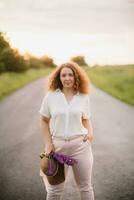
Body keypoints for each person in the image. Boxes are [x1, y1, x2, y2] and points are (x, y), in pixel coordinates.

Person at [39, 61, 95, 200]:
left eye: (70, 75)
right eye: (63, 75)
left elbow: (86, 118)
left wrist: (90, 134)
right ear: (59, 77)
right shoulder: (50, 96)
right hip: (57, 148)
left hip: (80, 147)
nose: (67, 78)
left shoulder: (83, 97)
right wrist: (48, 144)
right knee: (54, 190)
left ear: (76, 77)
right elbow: (44, 120)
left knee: (85, 187)